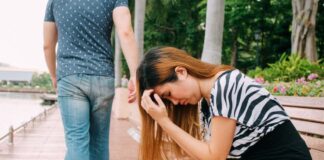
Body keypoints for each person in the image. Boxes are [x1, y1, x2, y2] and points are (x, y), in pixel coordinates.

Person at [137, 47, 311, 160]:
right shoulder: (208, 100)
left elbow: (215, 157)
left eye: (168, 95)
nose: (174, 102)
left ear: (181, 72)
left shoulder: (224, 86)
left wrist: (163, 121)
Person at [43, 0, 138, 159]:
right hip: (103, 75)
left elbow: (47, 44)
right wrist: (135, 74)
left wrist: (54, 75)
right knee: (99, 143)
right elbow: (126, 32)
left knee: (76, 141)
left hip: (70, 76)